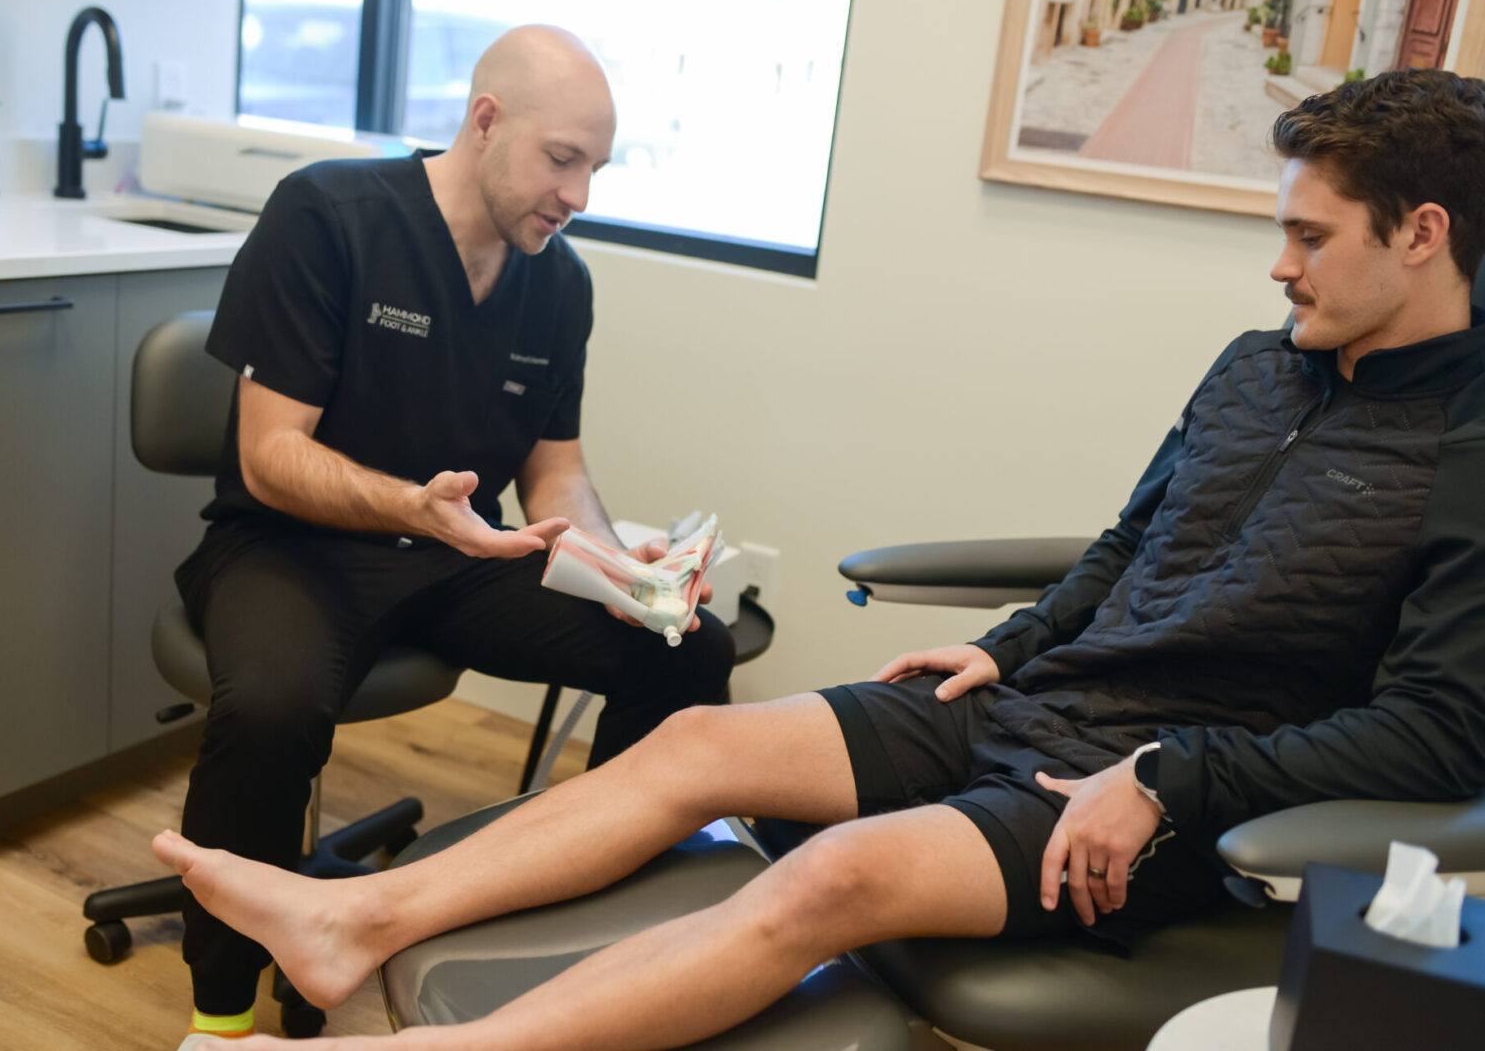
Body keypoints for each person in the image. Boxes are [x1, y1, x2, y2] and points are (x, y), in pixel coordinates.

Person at [158, 68, 1485, 1050]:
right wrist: (1011, 641)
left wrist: (1175, 775)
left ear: (1420, 235)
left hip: (1162, 795)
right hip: (1035, 701)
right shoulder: (1259, 369)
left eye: (1310, 239)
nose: (1278, 266)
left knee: (833, 871)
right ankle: (355, 922)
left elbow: (1445, 732)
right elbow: (1135, 542)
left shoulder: (1468, 445)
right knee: (691, 751)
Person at [168, 26, 735, 1048]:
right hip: (284, 546)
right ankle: (220, 1014)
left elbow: (553, 467)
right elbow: (269, 456)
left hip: (455, 555)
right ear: (485, 123)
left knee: (687, 648)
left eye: (596, 169)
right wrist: (409, 507)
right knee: (271, 708)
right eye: (563, 160)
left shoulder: (559, 283)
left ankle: (596, 936)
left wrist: (617, 567)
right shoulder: (328, 215)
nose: (579, 196)